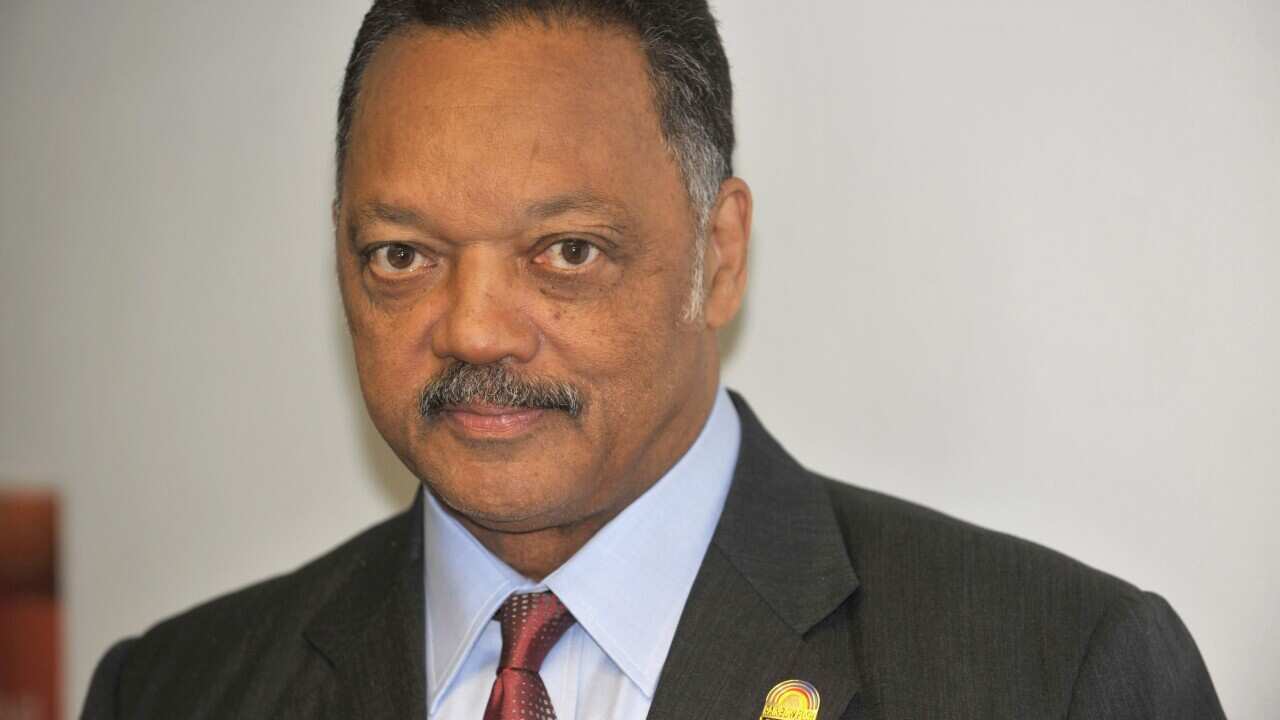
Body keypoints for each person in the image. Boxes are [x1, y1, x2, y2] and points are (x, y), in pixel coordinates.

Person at [81, 1, 1225, 718]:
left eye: (565, 251)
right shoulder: (173, 690)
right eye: (401, 255)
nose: (474, 329)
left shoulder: (1052, 672)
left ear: (717, 257)